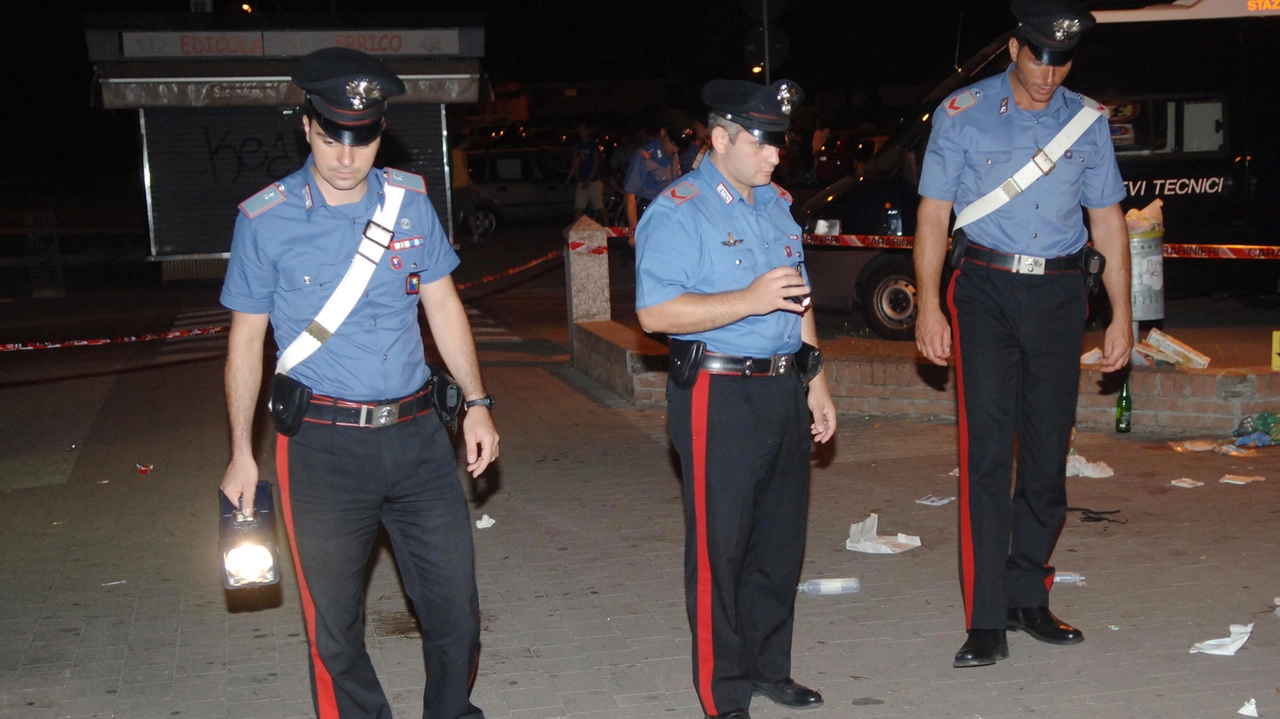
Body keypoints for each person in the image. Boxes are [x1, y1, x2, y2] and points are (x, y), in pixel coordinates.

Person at [219, 47, 499, 719]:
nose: (348, 155)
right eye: (333, 137)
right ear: (308, 127)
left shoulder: (410, 204)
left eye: (363, 137)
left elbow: (443, 306)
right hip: (320, 446)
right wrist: (240, 449)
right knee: (335, 625)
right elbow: (244, 343)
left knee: (455, 608)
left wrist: (479, 404)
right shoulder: (266, 219)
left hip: (417, 438)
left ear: (379, 131)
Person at [912, 0, 1131, 669]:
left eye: (1061, 60)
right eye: (1039, 56)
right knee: (986, 457)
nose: (1048, 73)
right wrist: (927, 304)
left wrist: (1123, 314)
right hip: (983, 289)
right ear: (1014, 49)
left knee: (1045, 455)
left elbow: (1109, 223)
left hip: (1061, 294)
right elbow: (933, 215)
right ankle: (985, 619)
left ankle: (1027, 593)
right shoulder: (960, 115)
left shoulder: (1087, 122)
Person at [635, 78, 836, 719]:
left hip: (781, 385)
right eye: (762, 144)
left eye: (780, 145)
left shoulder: (775, 204)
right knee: (720, 548)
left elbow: (795, 293)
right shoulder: (679, 208)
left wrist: (816, 379)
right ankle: (723, 695)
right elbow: (654, 312)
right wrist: (747, 300)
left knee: (778, 544)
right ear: (720, 139)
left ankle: (768, 669)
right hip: (716, 393)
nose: (775, 157)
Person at [623, 112, 695, 229]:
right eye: (673, 142)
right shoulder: (644, 158)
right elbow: (630, 194)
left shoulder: (674, 155)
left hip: (671, 217)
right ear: (663, 133)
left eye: (680, 145)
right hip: (650, 219)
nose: (676, 148)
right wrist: (635, 231)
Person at [568, 123, 604, 221]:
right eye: (579, 131)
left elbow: (596, 163)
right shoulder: (579, 146)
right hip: (582, 180)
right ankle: (575, 231)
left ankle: (608, 227)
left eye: (582, 130)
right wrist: (571, 175)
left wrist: (589, 179)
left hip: (593, 181)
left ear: (587, 131)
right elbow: (576, 162)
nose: (581, 133)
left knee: (599, 206)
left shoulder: (592, 144)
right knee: (579, 206)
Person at [451, 132, 480, 240]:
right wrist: (473, 187)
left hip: (457, 187)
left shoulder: (454, 154)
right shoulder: (459, 154)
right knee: (469, 212)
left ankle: (456, 236)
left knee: (458, 213)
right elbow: (464, 173)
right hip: (460, 187)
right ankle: (474, 235)